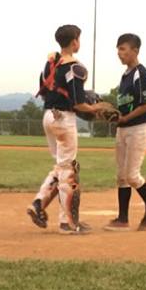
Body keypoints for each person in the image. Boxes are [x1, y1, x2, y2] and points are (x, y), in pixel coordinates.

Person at [26, 24, 101, 235]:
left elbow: (44, 90)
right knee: (69, 171)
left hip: (48, 116)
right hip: (63, 119)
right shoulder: (76, 68)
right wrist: (97, 109)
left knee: (61, 167)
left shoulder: (51, 62)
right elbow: (78, 103)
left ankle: (39, 204)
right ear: (75, 41)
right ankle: (68, 223)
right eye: (78, 39)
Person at [104, 34, 146, 231]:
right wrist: (115, 115)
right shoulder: (126, 75)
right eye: (118, 49)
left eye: (123, 49)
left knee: (132, 176)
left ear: (135, 51)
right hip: (123, 129)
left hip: (138, 129)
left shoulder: (141, 74)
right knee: (121, 176)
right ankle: (123, 219)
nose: (119, 53)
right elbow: (126, 105)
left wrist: (125, 118)